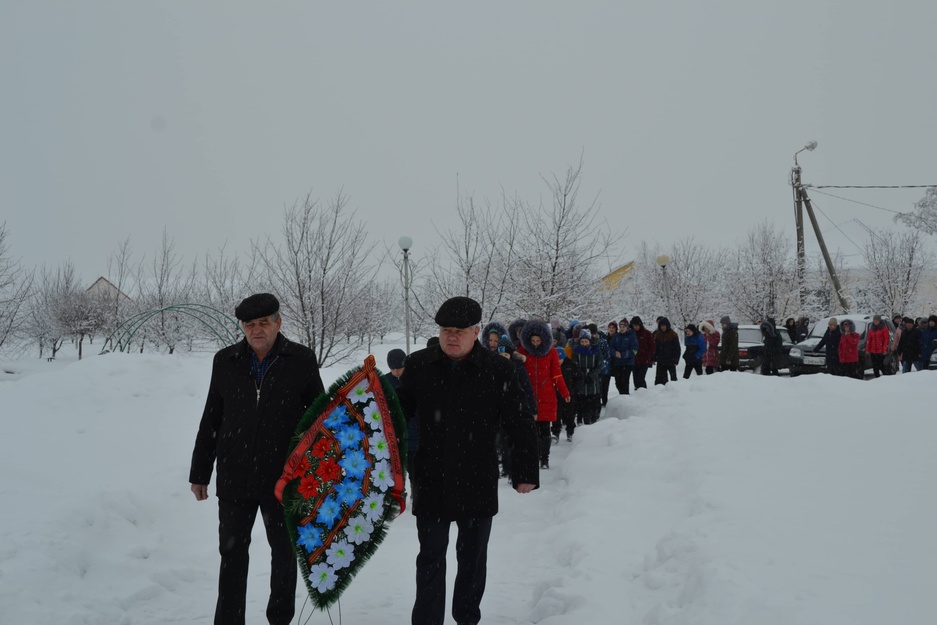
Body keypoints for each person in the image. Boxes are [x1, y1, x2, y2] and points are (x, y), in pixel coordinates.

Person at [398, 296, 539, 625]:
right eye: (446, 329)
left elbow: (519, 422)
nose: (451, 336)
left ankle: (466, 618)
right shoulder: (419, 365)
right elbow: (396, 415)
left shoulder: (498, 369)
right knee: (430, 558)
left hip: (477, 478)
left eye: (460, 330)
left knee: (472, 560)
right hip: (430, 476)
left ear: (476, 331)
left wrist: (524, 472)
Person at [189, 293, 325, 625]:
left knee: (284, 554)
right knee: (232, 555)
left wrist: (319, 473)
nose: (256, 330)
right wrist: (200, 471)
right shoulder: (226, 361)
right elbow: (212, 417)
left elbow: (320, 419)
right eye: (249, 324)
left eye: (264, 323)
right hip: (236, 476)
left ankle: (279, 619)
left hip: (285, 478)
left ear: (278, 323)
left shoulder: (301, 360)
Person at [481, 321, 537, 476]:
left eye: (495, 341)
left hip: (511, 407)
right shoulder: (484, 360)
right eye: (490, 340)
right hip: (492, 407)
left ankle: (509, 465)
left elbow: (526, 388)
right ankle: (499, 462)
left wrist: (532, 408)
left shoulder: (515, 366)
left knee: (509, 437)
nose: (492, 344)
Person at [519, 319, 571, 468]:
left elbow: (557, 375)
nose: (535, 343)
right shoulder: (522, 352)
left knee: (544, 430)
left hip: (546, 395)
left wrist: (564, 392)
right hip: (528, 397)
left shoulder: (551, 352)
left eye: (538, 340)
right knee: (530, 431)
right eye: (533, 340)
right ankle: (533, 457)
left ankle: (545, 458)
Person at [571, 328, 604, 424]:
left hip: (592, 379)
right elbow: (574, 364)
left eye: (586, 341)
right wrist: (580, 375)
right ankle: (582, 419)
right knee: (582, 401)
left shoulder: (596, 350)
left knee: (593, 401)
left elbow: (600, 364)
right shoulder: (576, 351)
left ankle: (593, 419)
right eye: (582, 341)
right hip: (581, 379)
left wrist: (592, 375)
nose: (584, 344)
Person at [554, 346, 583, 442]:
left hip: (570, 395)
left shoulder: (571, 365)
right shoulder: (552, 366)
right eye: (557, 359)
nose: (559, 361)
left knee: (570, 415)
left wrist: (574, 390)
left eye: (560, 359)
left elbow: (579, 378)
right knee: (556, 415)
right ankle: (555, 433)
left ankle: (570, 432)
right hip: (556, 395)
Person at [608, 317, 638, 394]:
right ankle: (622, 395)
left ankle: (625, 396)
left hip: (628, 363)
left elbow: (634, 350)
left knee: (624, 381)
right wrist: (614, 353)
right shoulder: (616, 336)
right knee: (618, 382)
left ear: (627, 327)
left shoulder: (632, 336)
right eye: (620, 327)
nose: (622, 329)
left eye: (623, 327)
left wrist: (623, 355)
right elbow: (610, 347)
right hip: (617, 363)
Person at [653, 317, 680, 386]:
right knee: (660, 379)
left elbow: (677, 348)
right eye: (661, 326)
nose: (663, 328)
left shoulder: (673, 334)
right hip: (661, 360)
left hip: (671, 360)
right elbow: (656, 348)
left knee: (673, 378)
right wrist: (654, 358)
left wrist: (676, 360)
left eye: (664, 326)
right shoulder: (658, 335)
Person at [630, 316, 656, 389]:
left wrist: (649, 355)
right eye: (634, 326)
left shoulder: (647, 334)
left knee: (641, 378)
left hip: (644, 360)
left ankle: (643, 392)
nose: (636, 327)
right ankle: (638, 392)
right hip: (634, 360)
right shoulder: (630, 334)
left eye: (637, 325)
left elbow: (652, 346)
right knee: (635, 378)